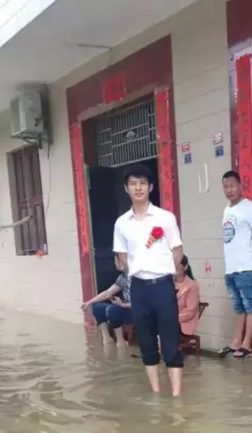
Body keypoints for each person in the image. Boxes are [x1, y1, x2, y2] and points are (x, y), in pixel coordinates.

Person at [113, 163, 184, 396]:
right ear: (126, 188)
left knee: (171, 341)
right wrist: (123, 264)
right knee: (146, 343)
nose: (138, 188)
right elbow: (121, 258)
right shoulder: (121, 223)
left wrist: (166, 267)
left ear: (150, 186)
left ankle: (176, 396)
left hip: (163, 286)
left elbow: (178, 251)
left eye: (142, 183)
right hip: (139, 289)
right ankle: (155, 393)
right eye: (133, 184)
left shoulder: (165, 218)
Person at [218, 170, 252, 358]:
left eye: (231, 186)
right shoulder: (227, 210)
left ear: (240, 186)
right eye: (225, 187)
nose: (229, 190)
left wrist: (248, 249)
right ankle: (236, 341)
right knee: (238, 307)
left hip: (245, 267)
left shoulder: (248, 207)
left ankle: (246, 344)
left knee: (250, 305)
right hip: (230, 267)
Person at [81, 255, 132, 347]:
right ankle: (107, 338)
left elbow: (142, 301)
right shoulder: (123, 277)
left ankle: (121, 341)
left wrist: (123, 305)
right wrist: (89, 302)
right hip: (124, 306)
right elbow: (108, 292)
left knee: (113, 310)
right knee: (97, 306)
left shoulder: (138, 277)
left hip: (135, 309)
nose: (115, 263)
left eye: (116, 260)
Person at [175, 255, 200, 336]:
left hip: (182, 323)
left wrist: (172, 318)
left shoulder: (192, 285)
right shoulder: (167, 283)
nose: (174, 267)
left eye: (177, 264)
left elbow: (190, 311)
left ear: (185, 267)